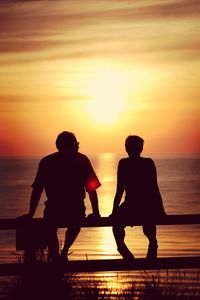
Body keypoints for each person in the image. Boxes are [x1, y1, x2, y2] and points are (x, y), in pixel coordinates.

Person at [26, 131, 101, 262]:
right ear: (70, 145)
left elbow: (37, 190)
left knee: (51, 229)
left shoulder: (47, 161)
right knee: (74, 225)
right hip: (74, 207)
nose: (78, 146)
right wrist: (96, 212)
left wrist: (30, 213)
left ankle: (57, 256)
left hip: (55, 208)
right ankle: (63, 252)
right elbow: (91, 190)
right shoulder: (81, 160)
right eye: (76, 144)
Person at [110, 135, 166, 261]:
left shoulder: (127, 163)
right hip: (138, 204)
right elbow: (154, 188)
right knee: (144, 223)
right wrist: (160, 209)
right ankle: (150, 243)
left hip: (136, 204)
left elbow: (120, 190)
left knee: (119, 225)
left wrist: (114, 211)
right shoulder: (144, 163)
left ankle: (128, 246)